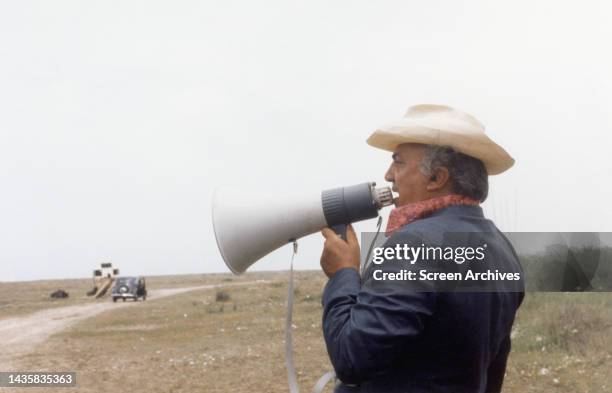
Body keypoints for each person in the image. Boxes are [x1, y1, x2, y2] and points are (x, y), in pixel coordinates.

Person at [319, 104, 525, 393]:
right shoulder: (502, 247)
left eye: (399, 162)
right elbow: (492, 366)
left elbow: (351, 358)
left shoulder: (413, 245)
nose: (389, 175)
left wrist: (343, 274)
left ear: (437, 178)